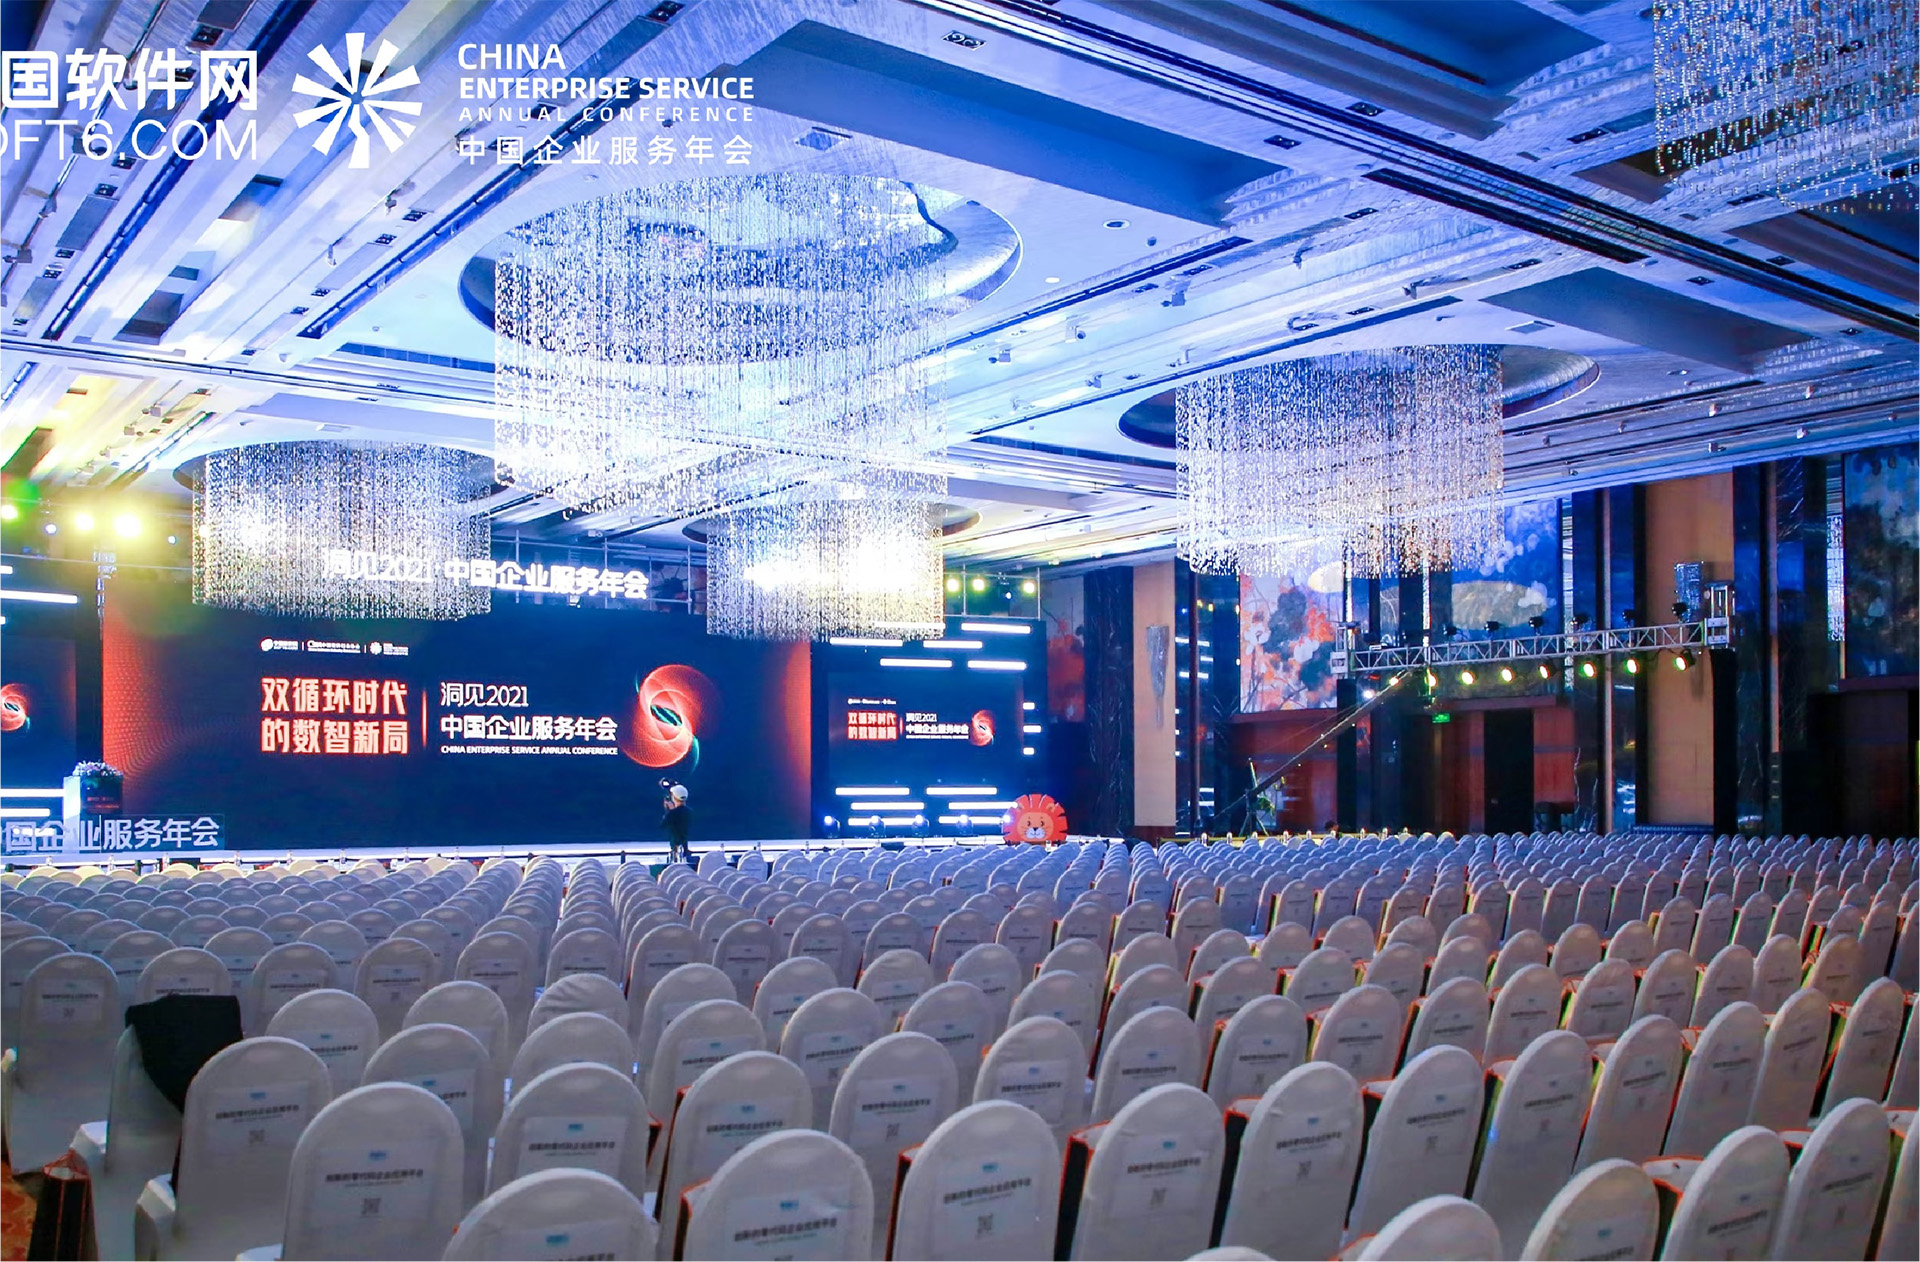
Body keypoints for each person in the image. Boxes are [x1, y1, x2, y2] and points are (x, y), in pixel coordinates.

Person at [662, 783, 693, 864]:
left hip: (676, 846)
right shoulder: (689, 812)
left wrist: (669, 811)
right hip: (684, 847)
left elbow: (663, 825)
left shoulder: (672, 814)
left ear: (674, 797)